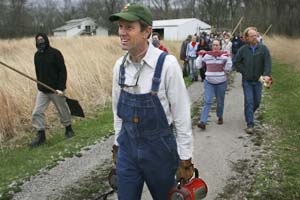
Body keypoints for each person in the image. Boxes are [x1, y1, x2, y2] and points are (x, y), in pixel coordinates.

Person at [109, 3, 194, 199]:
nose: (122, 32)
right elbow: (117, 112)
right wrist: (117, 146)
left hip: (160, 154)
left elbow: (181, 115)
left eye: (129, 27)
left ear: (147, 31)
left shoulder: (167, 65)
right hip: (127, 151)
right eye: (120, 27)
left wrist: (185, 158)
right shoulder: (119, 67)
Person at [29, 33, 74, 147]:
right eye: (38, 40)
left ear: (46, 40)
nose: (40, 42)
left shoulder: (55, 53)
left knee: (62, 110)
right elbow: (38, 72)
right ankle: (41, 135)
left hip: (56, 90)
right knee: (37, 112)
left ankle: (68, 129)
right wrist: (40, 86)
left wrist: (60, 87)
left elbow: (62, 71)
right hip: (43, 90)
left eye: (42, 40)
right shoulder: (37, 56)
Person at [234, 27, 272, 134]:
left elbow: (268, 63)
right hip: (247, 81)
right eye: (252, 36)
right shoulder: (243, 50)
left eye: (256, 35)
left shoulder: (263, 49)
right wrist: (244, 71)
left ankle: (248, 113)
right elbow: (236, 62)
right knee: (249, 101)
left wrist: (267, 75)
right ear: (246, 38)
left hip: (259, 80)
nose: (255, 37)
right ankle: (250, 124)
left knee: (257, 101)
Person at [196, 39, 232, 130]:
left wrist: (228, 57)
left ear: (220, 46)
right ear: (211, 46)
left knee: (220, 102)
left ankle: (220, 116)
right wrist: (200, 56)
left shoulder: (223, 56)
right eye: (214, 45)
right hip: (209, 82)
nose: (215, 47)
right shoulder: (207, 56)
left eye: (217, 45)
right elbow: (198, 66)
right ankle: (203, 121)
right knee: (208, 101)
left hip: (221, 82)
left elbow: (228, 69)